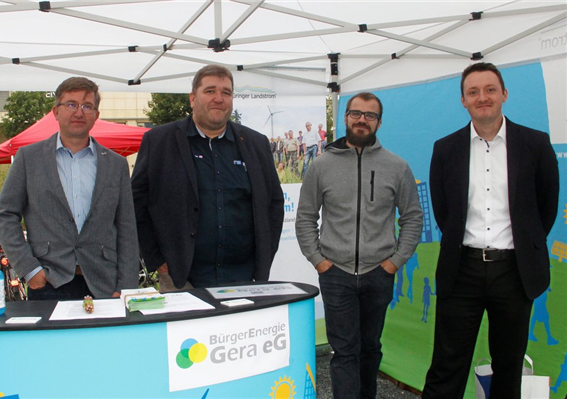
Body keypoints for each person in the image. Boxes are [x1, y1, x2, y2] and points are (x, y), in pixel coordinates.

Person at [423, 62, 559, 398]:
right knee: (446, 367)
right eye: (473, 92)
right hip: (461, 270)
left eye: (490, 90)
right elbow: (444, 213)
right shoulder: (446, 149)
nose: (482, 97)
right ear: (463, 101)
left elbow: (545, 208)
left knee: (509, 368)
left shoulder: (536, 144)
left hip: (514, 272)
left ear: (504, 95)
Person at [296, 92, 423, 399]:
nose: (362, 120)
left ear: (379, 122)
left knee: (370, 349)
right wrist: (318, 260)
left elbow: (413, 218)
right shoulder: (321, 166)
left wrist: (395, 261)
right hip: (335, 273)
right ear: (346, 117)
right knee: (344, 352)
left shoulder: (397, 166)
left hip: (378, 273)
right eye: (356, 113)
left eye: (370, 115)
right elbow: (305, 218)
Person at [131, 64, 283, 292]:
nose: (219, 99)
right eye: (210, 91)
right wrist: (156, 260)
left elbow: (273, 203)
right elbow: (136, 203)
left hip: (244, 278)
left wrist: (264, 255)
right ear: (193, 98)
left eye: (226, 92)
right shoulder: (159, 141)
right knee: (185, 330)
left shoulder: (256, 144)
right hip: (181, 278)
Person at [0, 77, 138, 300]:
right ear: (56, 111)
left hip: (105, 286)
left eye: (87, 106)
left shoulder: (116, 164)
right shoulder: (29, 158)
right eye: (71, 104)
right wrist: (30, 270)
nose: (79, 112)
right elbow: (5, 216)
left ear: (96, 115)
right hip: (48, 283)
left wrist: (127, 286)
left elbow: (127, 228)